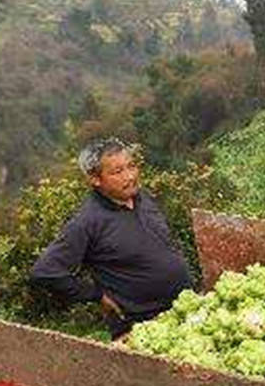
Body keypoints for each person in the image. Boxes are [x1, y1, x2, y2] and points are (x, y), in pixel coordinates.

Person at [30, 138, 192, 340]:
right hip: (142, 328)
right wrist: (96, 295)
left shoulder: (143, 198)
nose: (130, 176)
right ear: (95, 179)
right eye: (118, 172)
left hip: (185, 312)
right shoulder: (87, 221)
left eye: (131, 166)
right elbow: (45, 272)